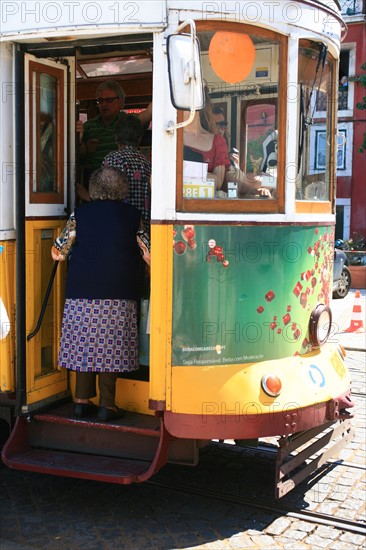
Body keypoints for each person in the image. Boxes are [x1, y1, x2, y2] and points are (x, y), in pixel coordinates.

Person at [51, 166, 150, 422]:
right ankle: (107, 405)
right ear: (122, 190)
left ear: (94, 188)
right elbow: (148, 253)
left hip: (81, 292)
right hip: (119, 291)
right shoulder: (132, 215)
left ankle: (81, 402)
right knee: (111, 348)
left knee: (85, 345)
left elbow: (58, 253)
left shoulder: (80, 214)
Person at [77, 80, 152, 200]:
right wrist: (83, 145)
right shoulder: (88, 126)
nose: (104, 104)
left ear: (121, 101)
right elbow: (80, 156)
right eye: (100, 101)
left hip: (122, 189)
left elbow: (148, 113)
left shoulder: (127, 121)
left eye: (109, 100)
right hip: (91, 184)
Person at [102, 114, 151, 232]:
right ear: (139, 138)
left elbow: (106, 195)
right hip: (144, 227)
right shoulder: (146, 162)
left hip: (120, 224)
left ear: (116, 136)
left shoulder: (112, 159)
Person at [183, 111, 230, 190]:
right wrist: (208, 176)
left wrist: (182, 173)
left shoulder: (217, 141)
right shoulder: (169, 138)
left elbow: (218, 182)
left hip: (204, 200)